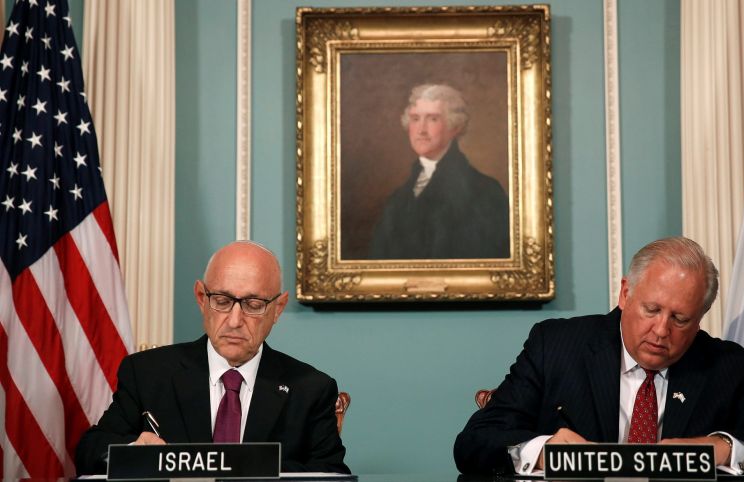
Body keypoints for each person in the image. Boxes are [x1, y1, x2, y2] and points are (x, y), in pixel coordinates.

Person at [454, 237, 744, 476]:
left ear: (700, 318)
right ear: (626, 294)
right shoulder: (558, 346)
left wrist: (721, 449)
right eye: (651, 309)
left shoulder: (724, 365)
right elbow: (474, 443)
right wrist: (544, 450)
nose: (660, 330)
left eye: (680, 319)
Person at [75, 241, 349, 474]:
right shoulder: (147, 373)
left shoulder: (310, 388)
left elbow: (332, 475)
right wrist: (134, 452)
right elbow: (90, 452)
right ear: (201, 298)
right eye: (222, 300)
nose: (234, 320)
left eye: (253, 305)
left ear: (277, 309)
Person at [368, 83, 509, 259]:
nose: (421, 130)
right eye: (415, 119)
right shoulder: (397, 199)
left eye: (433, 119)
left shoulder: (485, 191)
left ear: (454, 127)